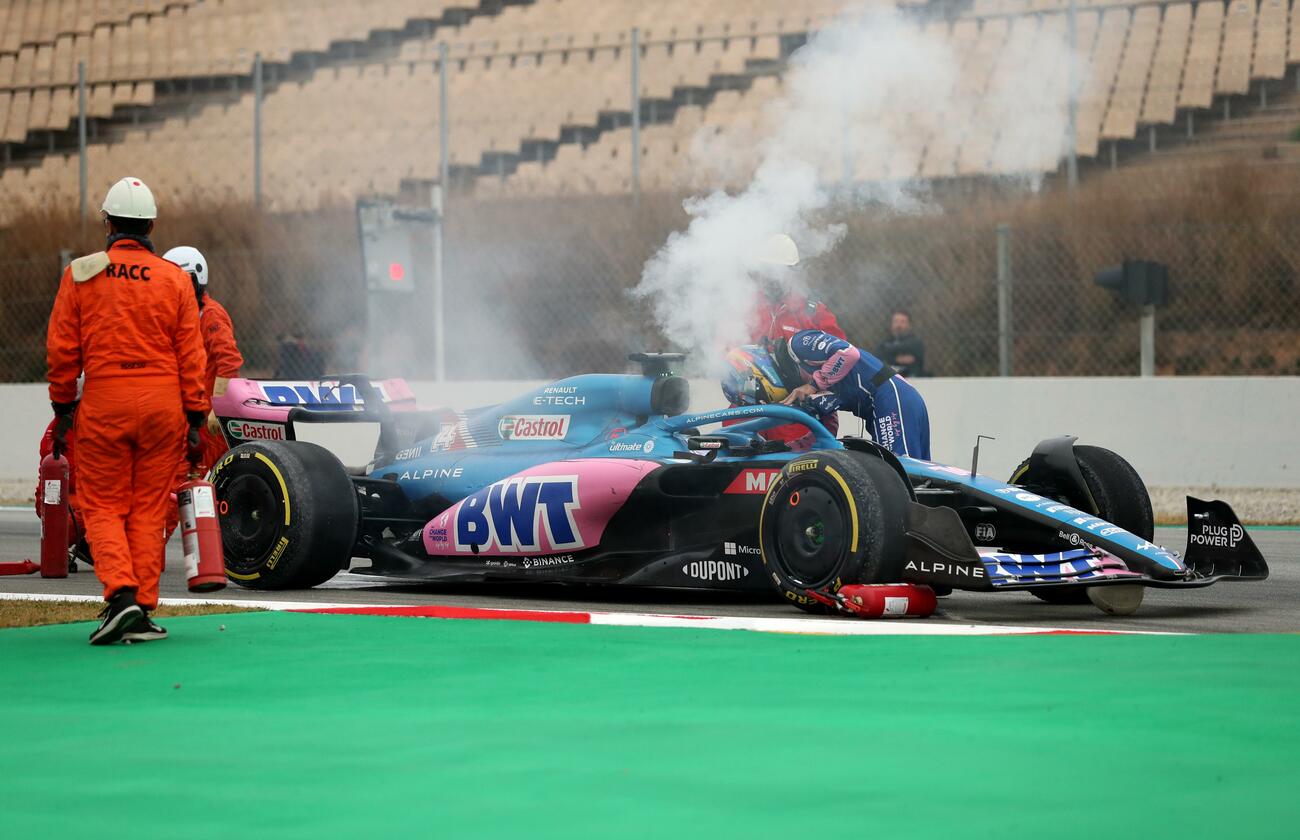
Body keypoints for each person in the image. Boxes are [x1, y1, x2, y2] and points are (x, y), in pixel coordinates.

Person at [46, 176, 208, 645]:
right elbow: (191, 353)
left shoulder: (81, 273)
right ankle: (142, 605)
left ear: (108, 222)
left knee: (102, 504)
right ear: (151, 224)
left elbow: (62, 350)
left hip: (106, 401)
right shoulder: (174, 279)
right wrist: (196, 416)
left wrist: (62, 409)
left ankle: (120, 594)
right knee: (150, 509)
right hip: (163, 406)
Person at [732, 233, 846, 448]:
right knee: (729, 449)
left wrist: (810, 385)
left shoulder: (812, 312)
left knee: (792, 468)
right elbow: (727, 351)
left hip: (796, 408)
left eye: (779, 271)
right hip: (749, 405)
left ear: (792, 273)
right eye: (767, 271)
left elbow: (840, 360)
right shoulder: (745, 307)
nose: (772, 277)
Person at [777, 329, 930, 460]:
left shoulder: (798, 343)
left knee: (900, 471)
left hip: (891, 398)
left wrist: (812, 385)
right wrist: (790, 448)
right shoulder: (821, 386)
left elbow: (849, 353)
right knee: (922, 481)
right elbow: (826, 431)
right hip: (895, 400)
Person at [163, 246, 244, 470]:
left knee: (197, 481)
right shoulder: (182, 316)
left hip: (208, 421)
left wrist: (218, 408)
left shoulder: (210, 314)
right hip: (187, 416)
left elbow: (229, 362)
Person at [721, 344, 838, 452]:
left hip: (802, 462)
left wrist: (787, 449)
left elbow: (825, 434)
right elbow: (736, 456)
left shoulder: (808, 387)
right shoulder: (740, 408)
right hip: (773, 465)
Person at [876, 309, 926, 378]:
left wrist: (889, 353)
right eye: (896, 321)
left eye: (903, 322)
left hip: (912, 379)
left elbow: (917, 356)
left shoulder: (916, 342)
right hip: (889, 379)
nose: (898, 325)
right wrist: (896, 359)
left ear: (909, 325)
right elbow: (878, 358)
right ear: (891, 324)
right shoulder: (884, 342)